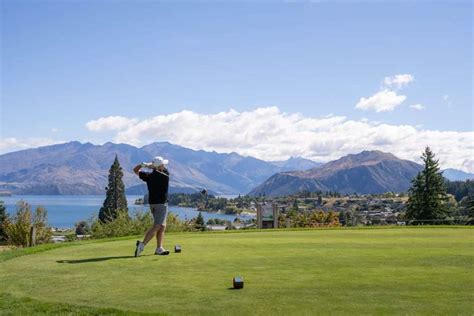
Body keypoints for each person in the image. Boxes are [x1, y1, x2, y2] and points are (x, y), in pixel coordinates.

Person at [133, 156, 170, 257]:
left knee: (162, 226)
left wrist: (144, 164)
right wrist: (152, 166)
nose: (164, 166)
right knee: (158, 225)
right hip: (161, 204)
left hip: (152, 204)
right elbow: (161, 169)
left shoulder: (148, 176)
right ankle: (142, 244)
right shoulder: (165, 174)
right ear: (159, 166)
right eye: (162, 164)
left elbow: (135, 170)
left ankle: (159, 248)